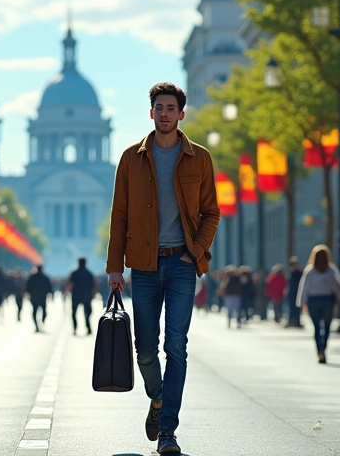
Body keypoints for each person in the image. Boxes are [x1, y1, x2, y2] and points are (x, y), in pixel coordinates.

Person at [106, 82, 220, 456]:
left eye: (171, 108)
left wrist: (196, 250)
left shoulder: (199, 157)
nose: (165, 113)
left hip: (182, 262)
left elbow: (211, 212)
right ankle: (158, 399)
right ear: (151, 112)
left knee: (177, 346)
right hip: (143, 264)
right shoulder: (130, 158)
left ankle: (168, 430)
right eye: (159, 107)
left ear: (181, 114)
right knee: (144, 348)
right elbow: (119, 215)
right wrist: (114, 267)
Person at [297, 245, 340, 364]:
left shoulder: (310, 270)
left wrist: (302, 303)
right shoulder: (331, 270)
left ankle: (319, 350)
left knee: (317, 327)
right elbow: (339, 285)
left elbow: (304, 288)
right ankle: (323, 348)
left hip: (313, 301)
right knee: (327, 326)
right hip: (328, 300)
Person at [67, 257, 97, 335]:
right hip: (87, 296)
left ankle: (75, 327)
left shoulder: (74, 273)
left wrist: (67, 292)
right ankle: (88, 327)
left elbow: (70, 284)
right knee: (88, 313)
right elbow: (94, 285)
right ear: (85, 263)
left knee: (74, 313)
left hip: (76, 296)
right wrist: (94, 294)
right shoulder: (89, 273)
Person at [26, 265, 53, 333]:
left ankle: (37, 326)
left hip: (34, 297)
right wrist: (51, 295)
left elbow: (28, 287)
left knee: (34, 311)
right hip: (42, 297)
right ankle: (41, 322)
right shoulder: (45, 278)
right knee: (43, 311)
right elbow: (49, 287)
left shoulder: (32, 277)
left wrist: (28, 294)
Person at [286, 257, 304, 328]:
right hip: (291, 293)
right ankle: (291, 321)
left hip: (298, 293)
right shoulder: (290, 273)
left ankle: (297, 322)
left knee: (297, 308)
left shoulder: (299, 273)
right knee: (291, 308)